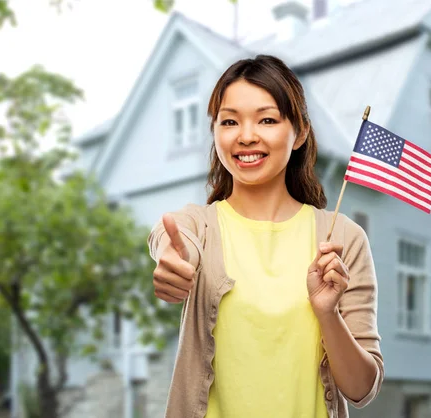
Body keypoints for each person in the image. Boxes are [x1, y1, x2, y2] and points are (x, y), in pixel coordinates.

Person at [147, 54, 383, 418]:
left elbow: (361, 389)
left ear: (300, 132)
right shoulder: (200, 226)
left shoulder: (342, 238)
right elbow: (171, 238)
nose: (246, 136)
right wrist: (175, 260)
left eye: (267, 119)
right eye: (229, 121)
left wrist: (328, 314)